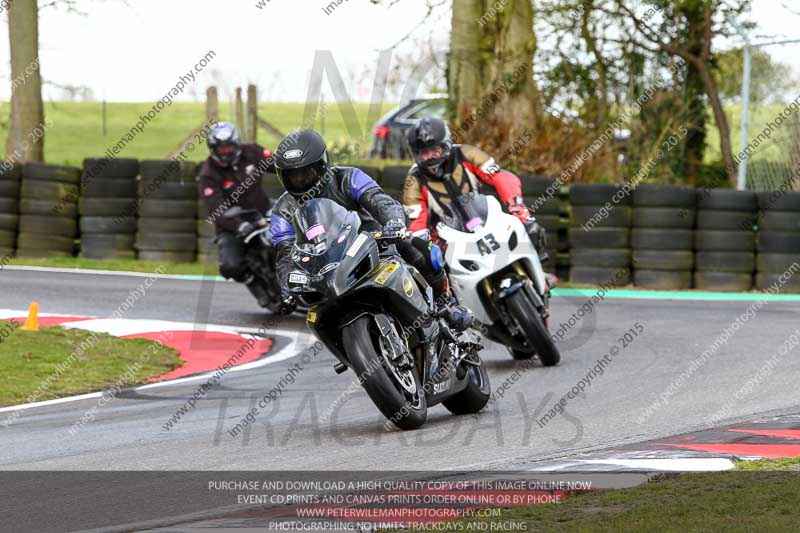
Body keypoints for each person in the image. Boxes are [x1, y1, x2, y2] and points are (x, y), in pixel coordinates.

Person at [270, 129, 472, 330]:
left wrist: (394, 222)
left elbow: (381, 202)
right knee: (315, 313)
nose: (300, 180)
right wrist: (288, 285)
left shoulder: (348, 177)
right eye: (292, 175)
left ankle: (446, 303)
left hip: (372, 242)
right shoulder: (282, 210)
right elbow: (284, 253)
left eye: (306, 173)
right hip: (325, 265)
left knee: (416, 244)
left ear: (322, 164)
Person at [402, 117, 548, 257]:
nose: (431, 156)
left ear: (445, 143)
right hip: (447, 241)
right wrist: (427, 247)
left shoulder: (466, 153)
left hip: (486, 222)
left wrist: (518, 211)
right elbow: (416, 222)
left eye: (435, 149)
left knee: (530, 231)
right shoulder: (414, 179)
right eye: (424, 153)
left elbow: (501, 177)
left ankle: (538, 275)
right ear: (416, 154)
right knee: (434, 270)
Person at [198, 122, 277, 307]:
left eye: (229, 147)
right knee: (230, 266)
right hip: (232, 224)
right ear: (212, 148)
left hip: (263, 211)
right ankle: (256, 286)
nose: (225, 152)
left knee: (291, 235)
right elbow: (216, 210)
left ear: (237, 144)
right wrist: (240, 225)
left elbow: (278, 165)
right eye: (221, 148)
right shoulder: (208, 174)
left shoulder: (253, 152)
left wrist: (296, 170)